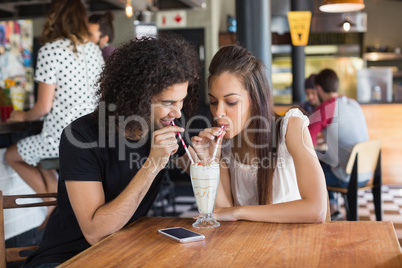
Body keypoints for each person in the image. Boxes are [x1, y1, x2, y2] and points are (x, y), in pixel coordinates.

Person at [23, 34, 200, 267]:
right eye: (168, 102)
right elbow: (95, 234)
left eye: (181, 101)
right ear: (139, 96)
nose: (177, 112)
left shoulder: (168, 122)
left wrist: (205, 157)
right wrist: (153, 165)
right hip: (69, 257)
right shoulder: (80, 137)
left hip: (124, 251)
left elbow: (198, 172)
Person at [191, 44, 327, 223]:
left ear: (255, 99)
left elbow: (316, 209)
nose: (218, 113)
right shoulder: (223, 144)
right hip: (250, 246)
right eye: (213, 101)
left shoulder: (290, 127)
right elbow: (222, 214)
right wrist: (211, 162)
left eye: (231, 102)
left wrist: (238, 212)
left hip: (294, 243)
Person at [5, 0, 104, 222]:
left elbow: (42, 107)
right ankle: (54, 197)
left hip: (60, 139)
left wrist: (22, 115)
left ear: (55, 17)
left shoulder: (51, 50)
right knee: (41, 158)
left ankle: (54, 204)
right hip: (90, 138)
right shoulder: (93, 51)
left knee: (11, 155)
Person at [308, 68, 369, 220]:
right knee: (325, 160)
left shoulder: (327, 107)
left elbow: (306, 138)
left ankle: (324, 213)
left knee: (311, 171)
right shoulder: (353, 103)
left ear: (319, 88)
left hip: (347, 176)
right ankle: (334, 209)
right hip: (367, 172)